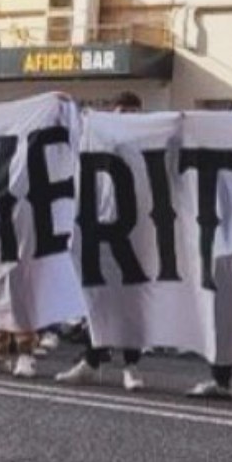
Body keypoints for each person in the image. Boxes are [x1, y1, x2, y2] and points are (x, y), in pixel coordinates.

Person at [58, 90, 146, 391]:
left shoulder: (148, 141)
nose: (127, 122)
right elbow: (67, 126)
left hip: (136, 231)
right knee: (98, 298)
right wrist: (62, 101)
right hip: (100, 228)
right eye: (122, 115)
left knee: (131, 299)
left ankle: (131, 365)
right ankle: (93, 360)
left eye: (133, 116)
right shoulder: (95, 136)